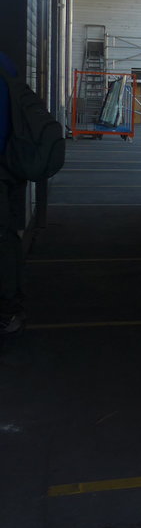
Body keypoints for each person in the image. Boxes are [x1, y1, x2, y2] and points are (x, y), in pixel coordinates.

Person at [0, 51, 27, 335]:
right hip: (12, 167)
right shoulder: (7, 64)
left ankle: (9, 309)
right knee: (9, 238)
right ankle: (11, 307)